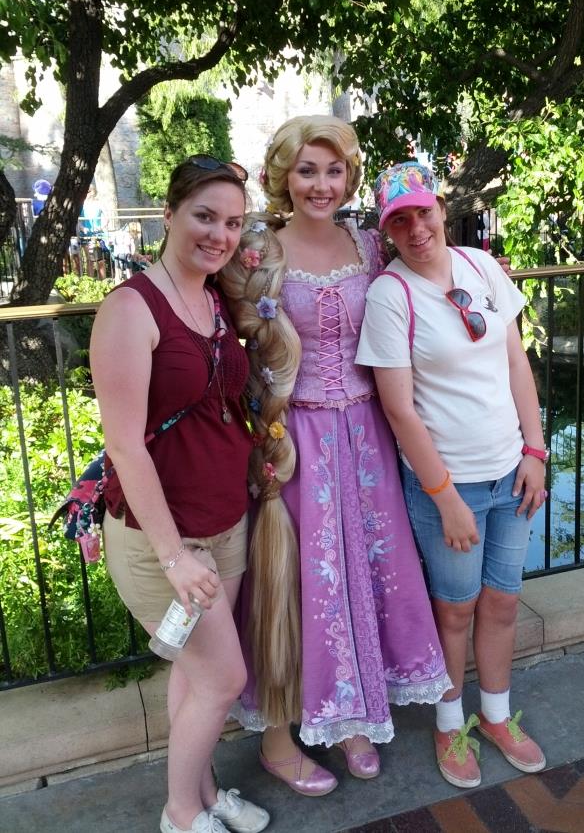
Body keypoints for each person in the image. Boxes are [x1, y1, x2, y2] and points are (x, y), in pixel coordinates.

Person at [221, 116, 451, 796]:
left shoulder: (368, 243)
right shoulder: (259, 249)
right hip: (294, 438)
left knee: (366, 568)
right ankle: (281, 731)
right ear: (284, 176)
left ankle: (355, 714)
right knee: (299, 579)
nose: (321, 184)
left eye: (333, 170)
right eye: (307, 170)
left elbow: (419, 297)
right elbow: (233, 338)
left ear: (349, 176)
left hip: (369, 434)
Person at [90, 157, 270, 833]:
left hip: (225, 521)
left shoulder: (216, 299)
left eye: (231, 221)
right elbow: (126, 446)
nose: (219, 234)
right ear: (167, 214)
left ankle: (204, 789)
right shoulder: (131, 309)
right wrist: (173, 557)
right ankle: (180, 813)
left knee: (196, 676)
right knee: (222, 678)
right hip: (166, 541)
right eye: (204, 216)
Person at [356, 161, 548, 790]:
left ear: (440, 208)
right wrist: (444, 498)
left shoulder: (479, 266)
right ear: (388, 230)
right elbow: (398, 408)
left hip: (510, 472)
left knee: (503, 601)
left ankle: (494, 714)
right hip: (451, 487)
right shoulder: (391, 295)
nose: (417, 229)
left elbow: (516, 360)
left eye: (423, 212)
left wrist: (536, 451)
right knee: (456, 611)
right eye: (400, 220)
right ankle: (448, 722)